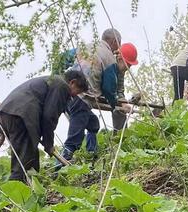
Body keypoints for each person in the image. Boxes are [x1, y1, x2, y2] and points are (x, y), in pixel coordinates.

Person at [60, 29, 139, 165]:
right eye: (128, 64)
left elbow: (62, 58)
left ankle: (92, 152)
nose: (128, 68)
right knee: (75, 136)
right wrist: (116, 104)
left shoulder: (86, 47)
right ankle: (61, 163)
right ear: (115, 43)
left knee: (93, 123)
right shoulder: (109, 59)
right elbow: (109, 90)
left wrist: (58, 80)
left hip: (66, 93)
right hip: (83, 98)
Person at [0, 70, 89, 182]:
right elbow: (49, 117)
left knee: (31, 159)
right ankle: (15, 191)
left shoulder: (50, 80)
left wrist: (1, 130)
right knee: (23, 161)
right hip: (22, 116)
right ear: (72, 82)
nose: (74, 96)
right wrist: (49, 144)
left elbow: (20, 101)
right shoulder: (62, 86)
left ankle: (29, 190)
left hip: (7, 113)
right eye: (77, 92)